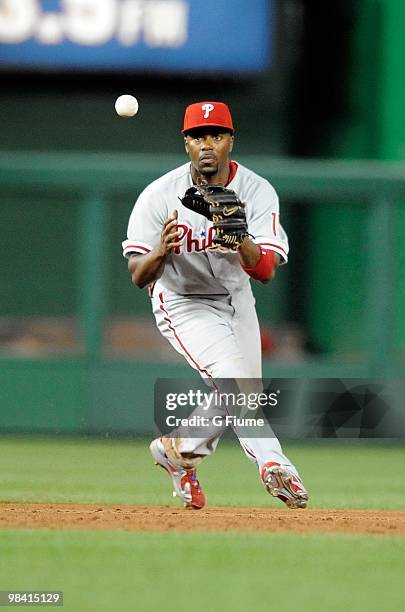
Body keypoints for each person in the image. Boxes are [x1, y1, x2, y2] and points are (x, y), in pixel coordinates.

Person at [122, 101, 309, 510]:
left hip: (236, 297)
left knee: (244, 394)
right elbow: (138, 274)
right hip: (182, 300)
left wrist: (239, 236)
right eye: (197, 136)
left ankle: (179, 452)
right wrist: (160, 250)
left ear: (230, 141)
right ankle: (275, 464)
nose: (207, 145)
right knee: (233, 378)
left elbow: (265, 271)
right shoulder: (158, 195)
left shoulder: (257, 191)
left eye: (216, 135)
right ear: (186, 143)